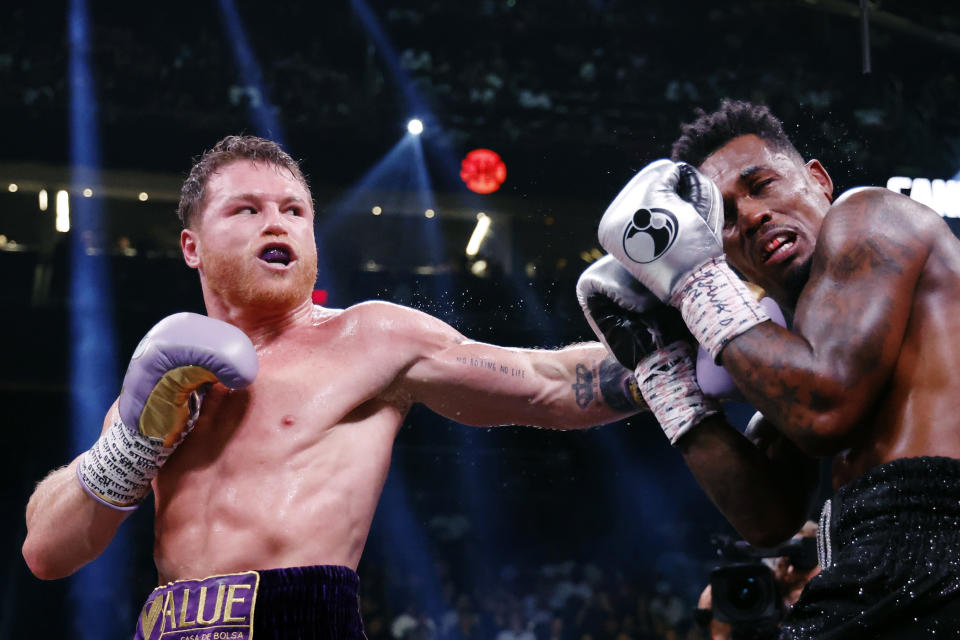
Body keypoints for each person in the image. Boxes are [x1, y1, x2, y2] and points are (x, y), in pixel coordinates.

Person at [21, 136, 648, 639]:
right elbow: (46, 552)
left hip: (301, 615)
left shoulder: (369, 338)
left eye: (295, 211)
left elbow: (552, 385)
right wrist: (132, 443)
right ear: (192, 246)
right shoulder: (165, 384)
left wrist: (690, 337)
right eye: (248, 209)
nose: (279, 223)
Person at [595, 99, 960, 637]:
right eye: (722, 219)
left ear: (818, 180)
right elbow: (766, 517)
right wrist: (661, 369)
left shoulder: (870, 215)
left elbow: (824, 409)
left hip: (934, 546)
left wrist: (696, 283)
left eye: (760, 185)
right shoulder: (795, 347)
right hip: (881, 562)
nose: (752, 216)